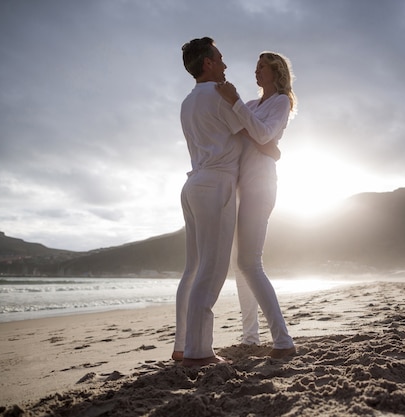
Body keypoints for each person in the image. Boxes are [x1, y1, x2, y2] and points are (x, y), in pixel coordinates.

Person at [215, 52, 297, 359]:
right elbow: (237, 136)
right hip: (238, 186)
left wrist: (261, 140)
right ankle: (250, 337)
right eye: (255, 66)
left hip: (261, 186)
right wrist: (262, 141)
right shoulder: (251, 106)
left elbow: (262, 133)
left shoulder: (281, 102)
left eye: (261, 66)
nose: (255, 71)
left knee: (251, 263)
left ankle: (283, 340)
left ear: (275, 71)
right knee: (241, 266)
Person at [172, 37, 245, 367]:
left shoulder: (187, 102)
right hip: (216, 183)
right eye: (220, 59)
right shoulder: (218, 95)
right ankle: (199, 352)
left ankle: (182, 345)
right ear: (207, 64)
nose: (225, 65)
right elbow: (248, 133)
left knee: (192, 269)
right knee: (212, 269)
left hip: (192, 185)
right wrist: (238, 101)